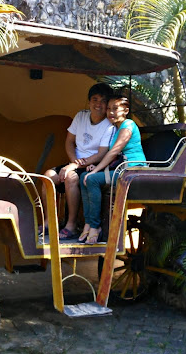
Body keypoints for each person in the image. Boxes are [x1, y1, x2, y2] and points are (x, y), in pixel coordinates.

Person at [41, 83, 114, 239]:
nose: (98, 104)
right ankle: (49, 222)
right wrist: (73, 162)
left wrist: (74, 166)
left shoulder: (109, 125)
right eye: (95, 99)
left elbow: (101, 154)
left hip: (93, 165)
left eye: (103, 101)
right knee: (48, 176)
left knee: (71, 177)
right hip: (75, 162)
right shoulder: (81, 116)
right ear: (89, 101)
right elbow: (69, 142)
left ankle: (71, 225)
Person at [79, 95, 147, 244]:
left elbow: (114, 151)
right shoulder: (116, 128)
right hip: (122, 169)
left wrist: (96, 170)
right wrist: (96, 168)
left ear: (126, 111)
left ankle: (95, 226)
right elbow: (115, 156)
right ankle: (88, 223)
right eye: (109, 109)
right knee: (83, 176)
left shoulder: (128, 125)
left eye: (115, 109)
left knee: (92, 179)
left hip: (133, 170)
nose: (110, 112)